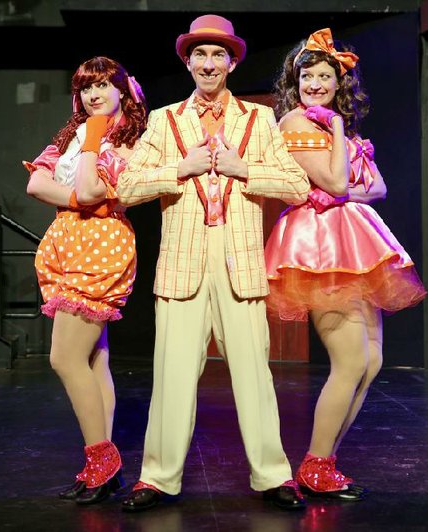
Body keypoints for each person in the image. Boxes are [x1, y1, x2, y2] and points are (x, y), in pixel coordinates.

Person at [115, 14, 311, 512]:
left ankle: (272, 476)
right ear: (187, 61)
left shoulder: (259, 119)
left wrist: (242, 169)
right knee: (172, 378)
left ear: (232, 61)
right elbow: (127, 187)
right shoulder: (164, 120)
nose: (208, 63)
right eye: (199, 54)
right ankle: (158, 477)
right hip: (182, 268)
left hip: (240, 265)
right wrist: (182, 168)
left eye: (217, 54)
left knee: (254, 376)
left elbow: (296, 185)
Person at [264, 28, 427, 500]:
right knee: (350, 358)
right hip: (319, 247)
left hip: (354, 239)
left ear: (339, 82)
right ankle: (314, 463)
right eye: (308, 76)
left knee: (371, 361)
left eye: (325, 76)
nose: (316, 84)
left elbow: (376, 187)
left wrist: (341, 181)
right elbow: (337, 181)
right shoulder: (297, 122)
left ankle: (327, 461)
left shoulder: (338, 126)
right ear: (296, 83)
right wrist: (337, 139)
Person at [23, 56, 147, 505]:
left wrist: (94, 142)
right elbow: (37, 184)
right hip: (66, 241)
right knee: (95, 361)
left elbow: (99, 191)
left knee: (64, 358)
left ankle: (101, 458)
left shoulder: (131, 138)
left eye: (102, 86)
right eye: (85, 88)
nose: (93, 95)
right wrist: (77, 195)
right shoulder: (70, 134)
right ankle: (103, 466)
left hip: (102, 244)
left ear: (122, 91)